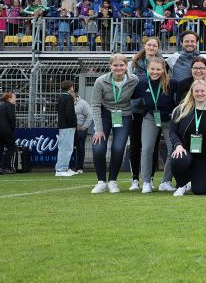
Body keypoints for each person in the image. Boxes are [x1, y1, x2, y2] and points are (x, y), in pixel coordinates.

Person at [90, 54, 140, 193]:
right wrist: (98, 129)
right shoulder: (100, 81)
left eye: (121, 65)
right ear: (110, 66)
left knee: (118, 147)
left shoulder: (133, 80)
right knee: (98, 146)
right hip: (104, 114)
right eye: (115, 65)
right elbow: (95, 105)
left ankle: (112, 181)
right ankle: (101, 181)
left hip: (124, 115)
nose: (118, 68)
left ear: (126, 66)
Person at [169, 80, 206, 196]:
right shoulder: (181, 110)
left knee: (201, 190)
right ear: (192, 92)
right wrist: (178, 145)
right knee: (178, 158)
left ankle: (193, 181)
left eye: (202, 91)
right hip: (187, 153)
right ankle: (182, 184)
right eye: (196, 91)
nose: (200, 93)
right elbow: (172, 132)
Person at [127, 37, 165, 191]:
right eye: (149, 44)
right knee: (136, 145)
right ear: (145, 46)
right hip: (136, 109)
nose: (151, 47)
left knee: (152, 146)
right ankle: (135, 178)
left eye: (154, 45)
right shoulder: (134, 63)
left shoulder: (163, 63)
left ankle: (150, 178)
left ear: (158, 48)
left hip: (153, 109)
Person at [134, 58, 177, 193]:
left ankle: (166, 181)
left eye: (158, 69)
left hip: (169, 119)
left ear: (163, 70)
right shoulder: (141, 83)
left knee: (173, 150)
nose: (155, 72)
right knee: (146, 149)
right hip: (150, 118)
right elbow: (129, 97)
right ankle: (146, 182)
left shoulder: (172, 83)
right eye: (152, 69)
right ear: (148, 69)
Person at [55, 80, 78, 177]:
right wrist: (74, 123)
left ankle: (65, 168)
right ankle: (60, 169)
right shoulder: (68, 97)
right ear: (70, 87)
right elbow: (70, 113)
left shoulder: (61, 97)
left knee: (65, 148)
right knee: (66, 148)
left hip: (63, 125)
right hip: (68, 126)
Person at [70, 91, 93, 174]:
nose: (70, 95)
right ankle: (68, 168)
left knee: (80, 148)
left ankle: (79, 168)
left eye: (71, 93)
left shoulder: (83, 103)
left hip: (80, 130)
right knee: (68, 149)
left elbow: (89, 116)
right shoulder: (66, 103)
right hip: (69, 130)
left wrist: (83, 127)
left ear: (75, 94)